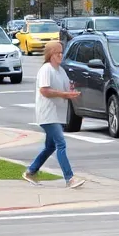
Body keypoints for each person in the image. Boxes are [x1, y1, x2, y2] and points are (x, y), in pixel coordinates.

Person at [23, 41, 86, 188]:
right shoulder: (46, 69)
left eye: (61, 52)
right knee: (61, 144)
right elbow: (45, 90)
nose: (60, 55)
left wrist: (70, 92)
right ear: (50, 54)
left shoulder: (61, 70)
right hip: (48, 114)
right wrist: (64, 93)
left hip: (58, 114)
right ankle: (69, 178)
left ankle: (31, 171)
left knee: (50, 147)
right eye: (58, 52)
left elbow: (64, 90)